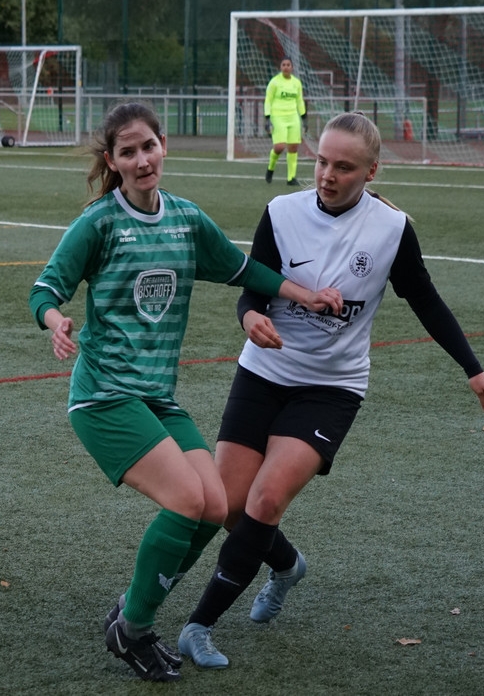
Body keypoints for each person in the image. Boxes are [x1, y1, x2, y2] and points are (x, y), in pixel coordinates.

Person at [28, 101, 342, 683]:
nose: (142, 160)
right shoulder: (98, 223)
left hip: (156, 396)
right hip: (103, 397)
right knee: (188, 502)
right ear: (113, 162)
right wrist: (55, 321)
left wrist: (302, 295)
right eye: (128, 152)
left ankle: (131, 609)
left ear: (163, 145)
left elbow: (241, 269)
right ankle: (134, 628)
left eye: (149, 146)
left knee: (218, 505)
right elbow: (45, 289)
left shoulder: (185, 218)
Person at [176, 111, 484, 669]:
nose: (326, 174)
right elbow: (252, 288)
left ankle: (197, 627)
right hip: (263, 372)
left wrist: (472, 368)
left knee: (267, 499)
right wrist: (250, 317)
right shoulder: (282, 212)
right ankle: (286, 565)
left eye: (343, 167)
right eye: (322, 161)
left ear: (371, 171)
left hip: (331, 387)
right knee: (230, 506)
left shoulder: (392, 229)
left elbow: (424, 297)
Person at [264, 57, 307, 187]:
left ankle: (291, 178)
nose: (286, 67)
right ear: (280, 67)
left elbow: (300, 101)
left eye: (288, 64)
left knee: (293, 147)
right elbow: (268, 100)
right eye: (284, 64)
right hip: (278, 116)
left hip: (293, 116)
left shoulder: (296, 83)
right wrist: (267, 118)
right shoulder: (275, 82)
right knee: (279, 147)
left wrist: (304, 118)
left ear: (292, 67)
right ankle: (270, 168)